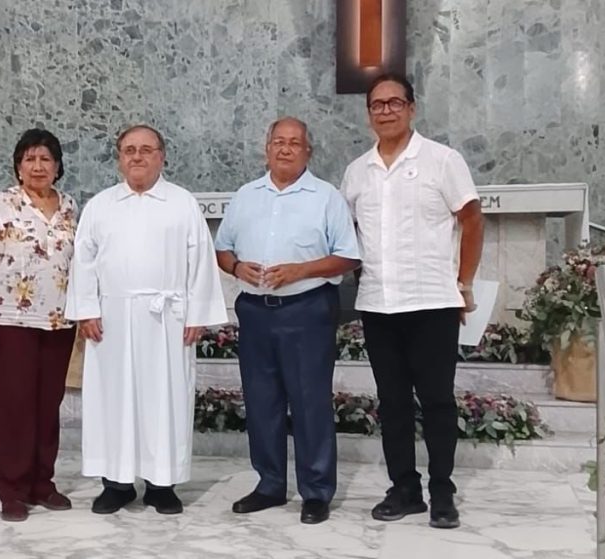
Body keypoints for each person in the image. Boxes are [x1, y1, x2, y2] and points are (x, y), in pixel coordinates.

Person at [339, 74, 484, 529]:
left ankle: (443, 492)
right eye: (377, 105)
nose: (386, 111)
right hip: (379, 304)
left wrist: (464, 282)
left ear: (412, 108)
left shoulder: (442, 160)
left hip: (432, 303)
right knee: (393, 401)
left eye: (394, 102)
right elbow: (348, 236)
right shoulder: (357, 171)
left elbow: (472, 219)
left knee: (438, 400)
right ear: (368, 114)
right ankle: (404, 489)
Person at [65, 124, 227, 515]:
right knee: (112, 399)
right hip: (112, 320)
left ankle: (162, 483)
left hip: (167, 319)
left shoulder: (181, 202)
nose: (137, 156)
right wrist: (86, 309)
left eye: (146, 149)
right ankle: (116, 483)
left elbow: (201, 260)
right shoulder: (101, 206)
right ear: (119, 157)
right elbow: (83, 260)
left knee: (165, 397)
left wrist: (197, 313)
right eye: (129, 150)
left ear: (162, 156)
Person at [214, 117, 361, 525]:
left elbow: (348, 255)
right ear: (266, 148)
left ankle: (315, 491)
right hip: (256, 313)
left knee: (310, 401)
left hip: (306, 311)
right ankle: (270, 484)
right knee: (262, 401)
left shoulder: (325, 197)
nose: (285, 149)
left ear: (307, 152)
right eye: (278, 142)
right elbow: (222, 248)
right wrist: (237, 266)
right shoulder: (246, 195)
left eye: (294, 143)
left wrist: (301, 271)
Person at [0, 128, 79, 522]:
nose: (38, 166)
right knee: (15, 408)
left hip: (59, 324)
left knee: (48, 407)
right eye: (30, 158)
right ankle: (12, 490)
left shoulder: (69, 207)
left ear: (58, 166)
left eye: (45, 159)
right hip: (10, 321)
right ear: (18, 165)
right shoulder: (1, 204)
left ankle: (41, 484)